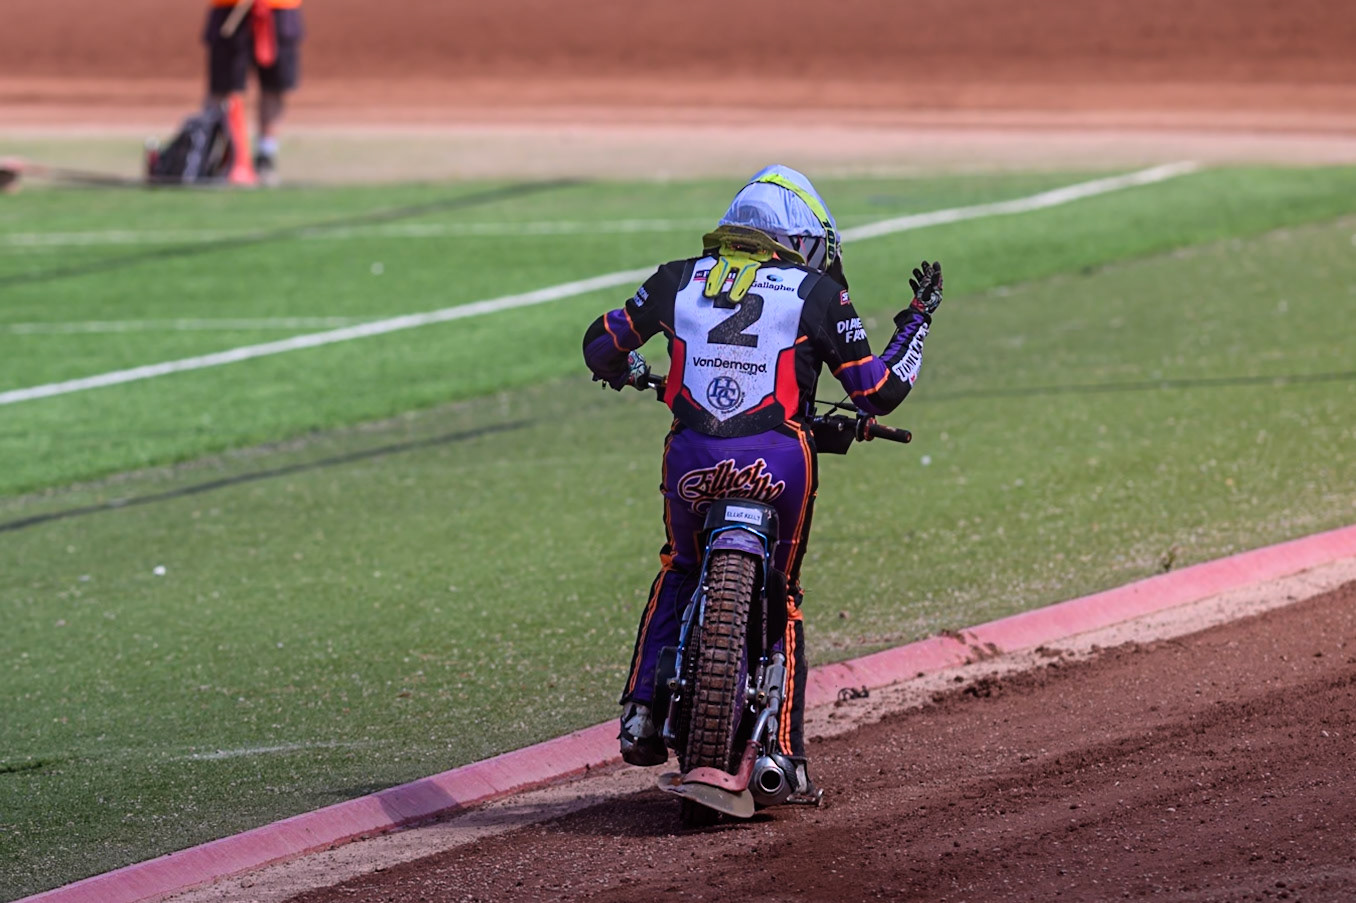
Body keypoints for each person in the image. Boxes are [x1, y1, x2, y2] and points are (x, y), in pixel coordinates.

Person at [581, 165, 944, 804]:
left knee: (680, 566)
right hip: (779, 465)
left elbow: (601, 343)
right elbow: (879, 392)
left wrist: (632, 370)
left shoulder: (675, 278)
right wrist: (917, 320)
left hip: (692, 461)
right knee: (784, 596)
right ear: (801, 241)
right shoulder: (817, 294)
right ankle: (788, 758)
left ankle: (640, 711)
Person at [203, 0, 305, 184]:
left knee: (274, 87)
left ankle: (266, 156)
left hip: (278, 8)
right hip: (230, 7)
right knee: (224, 89)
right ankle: (216, 156)